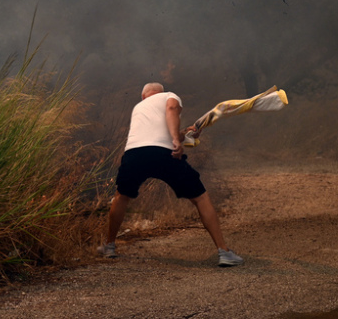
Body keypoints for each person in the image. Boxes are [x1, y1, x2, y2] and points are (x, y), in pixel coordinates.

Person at [98, 82, 244, 267]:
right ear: (161, 92)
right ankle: (224, 252)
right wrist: (176, 139)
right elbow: (172, 109)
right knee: (200, 198)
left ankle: (109, 246)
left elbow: (160, 131)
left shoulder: (138, 107)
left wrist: (185, 134)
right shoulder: (169, 95)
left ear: (144, 96)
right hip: (163, 154)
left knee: (121, 197)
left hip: (134, 154)